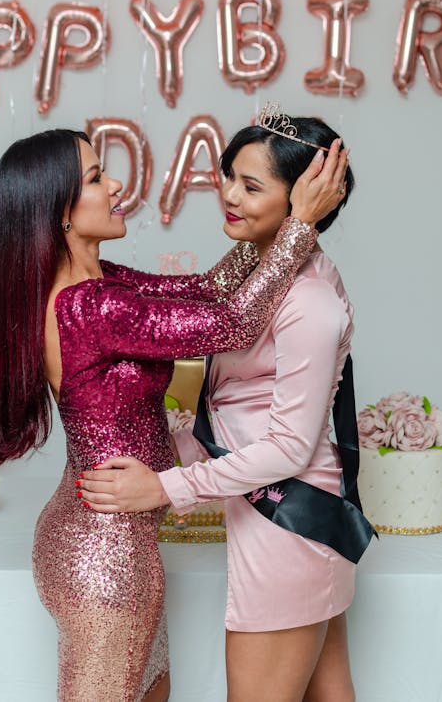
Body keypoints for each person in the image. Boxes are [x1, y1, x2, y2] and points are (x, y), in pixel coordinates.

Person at [0, 125, 347, 702]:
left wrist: (269, 225)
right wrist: (295, 226)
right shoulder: (88, 305)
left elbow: (206, 292)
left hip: (103, 538)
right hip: (105, 556)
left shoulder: (103, 283)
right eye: (97, 178)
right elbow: (232, 324)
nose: (116, 183)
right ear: (60, 214)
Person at [78, 111, 361, 702]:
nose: (228, 195)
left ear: (303, 196)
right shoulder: (256, 272)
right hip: (282, 521)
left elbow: (287, 446)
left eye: (252, 186)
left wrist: (165, 488)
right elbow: (236, 401)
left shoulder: (308, 299)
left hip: (291, 520)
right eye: (229, 175)